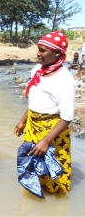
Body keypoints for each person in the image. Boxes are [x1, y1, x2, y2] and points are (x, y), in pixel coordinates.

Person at [14, 31, 76, 196]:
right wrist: (22, 121)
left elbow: (67, 117)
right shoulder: (38, 70)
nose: (38, 54)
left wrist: (46, 141)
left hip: (53, 131)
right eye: (38, 49)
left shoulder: (64, 79)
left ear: (57, 53)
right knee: (31, 165)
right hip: (33, 126)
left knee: (55, 174)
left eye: (42, 50)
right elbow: (35, 102)